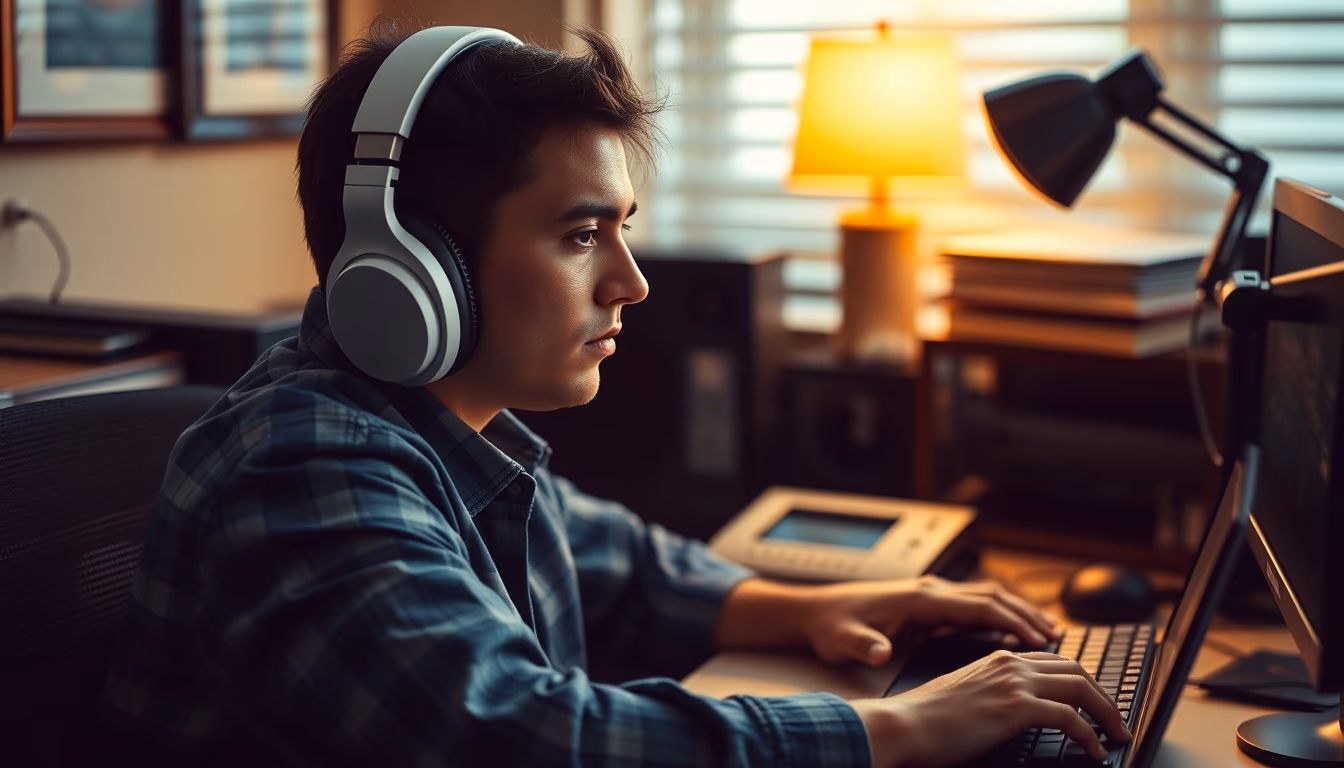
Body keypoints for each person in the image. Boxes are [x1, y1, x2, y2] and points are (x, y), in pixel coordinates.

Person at [99, 19, 1130, 767]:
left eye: (622, 226)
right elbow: (527, 736)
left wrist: (823, 605)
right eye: (582, 233)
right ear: (417, 270)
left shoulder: (447, 434)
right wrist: (899, 727)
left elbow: (616, 565)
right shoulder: (303, 466)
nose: (630, 281)